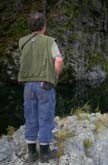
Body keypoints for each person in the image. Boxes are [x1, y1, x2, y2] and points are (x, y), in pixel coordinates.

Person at [18, 12, 63, 163]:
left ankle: (32, 154)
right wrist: (55, 76)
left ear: (30, 26)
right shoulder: (49, 41)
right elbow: (58, 60)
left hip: (27, 85)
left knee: (30, 116)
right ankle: (44, 154)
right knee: (45, 116)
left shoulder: (22, 42)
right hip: (45, 84)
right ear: (43, 26)